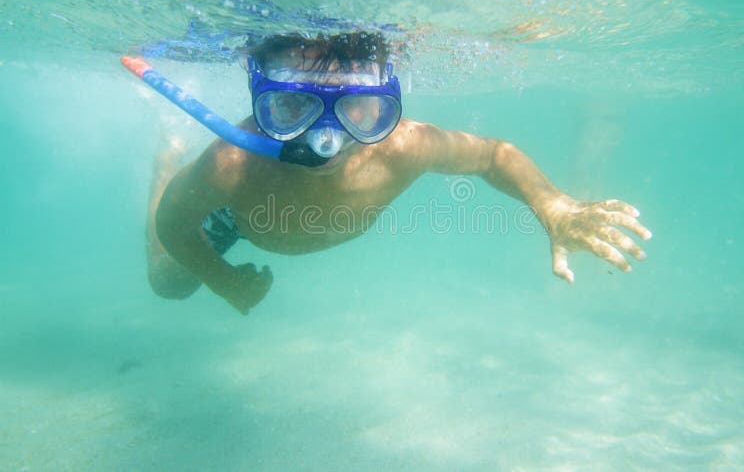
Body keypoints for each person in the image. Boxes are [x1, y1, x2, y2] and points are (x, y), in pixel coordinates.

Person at [146, 32, 652, 314]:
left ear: (385, 108)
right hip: (242, 216)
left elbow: (495, 155)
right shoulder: (231, 167)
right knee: (169, 283)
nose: (326, 140)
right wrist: (221, 280)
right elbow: (174, 223)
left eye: (358, 110)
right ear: (264, 105)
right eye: (294, 107)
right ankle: (168, 155)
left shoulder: (405, 146)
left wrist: (553, 204)